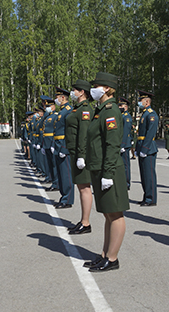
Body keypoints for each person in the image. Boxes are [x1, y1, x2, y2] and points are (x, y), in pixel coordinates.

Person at [83, 72, 129, 272]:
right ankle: (104, 254)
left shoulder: (110, 111)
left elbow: (112, 144)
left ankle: (112, 258)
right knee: (108, 215)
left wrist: (108, 174)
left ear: (107, 89)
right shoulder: (100, 110)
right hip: (99, 167)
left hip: (108, 169)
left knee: (115, 214)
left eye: (97, 85)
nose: (93, 89)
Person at [65, 80, 94, 234]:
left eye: (74, 90)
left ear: (82, 92)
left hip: (80, 152)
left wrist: (82, 156)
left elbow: (84, 134)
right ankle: (83, 220)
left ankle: (86, 222)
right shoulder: (77, 109)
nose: (72, 92)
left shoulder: (85, 109)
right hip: (75, 151)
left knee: (84, 188)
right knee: (81, 186)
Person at [135, 90, 159, 206]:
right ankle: (146, 196)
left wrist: (144, 149)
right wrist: (137, 148)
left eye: (141, 100)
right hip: (142, 147)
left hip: (148, 149)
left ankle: (151, 198)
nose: (139, 102)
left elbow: (150, 133)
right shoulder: (144, 114)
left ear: (147, 102)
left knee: (149, 175)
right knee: (143, 175)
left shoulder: (151, 114)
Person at [53, 87, 74, 209]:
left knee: (66, 174)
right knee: (61, 174)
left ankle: (68, 199)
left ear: (62, 98)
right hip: (58, 145)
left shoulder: (68, 111)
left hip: (63, 146)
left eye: (57, 97)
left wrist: (65, 148)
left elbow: (69, 132)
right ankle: (63, 197)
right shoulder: (61, 111)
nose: (56, 99)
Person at [118, 97, 133, 190]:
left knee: (125, 165)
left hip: (124, 144)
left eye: (121, 105)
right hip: (120, 143)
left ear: (126, 107)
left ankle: (127, 183)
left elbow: (126, 131)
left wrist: (123, 144)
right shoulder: (121, 115)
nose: (119, 107)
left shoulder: (126, 116)